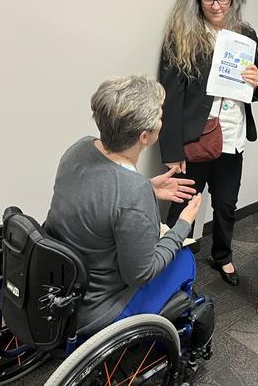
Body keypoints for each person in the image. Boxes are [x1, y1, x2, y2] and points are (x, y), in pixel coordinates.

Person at [45, 76, 202, 336]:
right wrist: (183, 225)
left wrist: (148, 189)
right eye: (160, 118)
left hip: (58, 281)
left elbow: (99, 195)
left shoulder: (80, 148)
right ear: (145, 136)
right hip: (95, 309)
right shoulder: (132, 192)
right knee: (185, 258)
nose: (162, 122)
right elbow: (141, 274)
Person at [158, 0, 258, 287]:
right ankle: (173, 262)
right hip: (195, 137)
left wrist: (256, 80)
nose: (216, 5)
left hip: (232, 136)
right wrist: (172, 148)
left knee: (226, 204)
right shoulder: (183, 35)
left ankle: (223, 256)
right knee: (183, 205)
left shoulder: (245, 34)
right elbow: (170, 96)